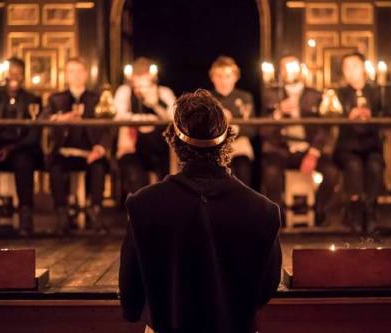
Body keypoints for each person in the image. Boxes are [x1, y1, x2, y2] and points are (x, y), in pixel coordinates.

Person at [119, 89, 282, 333]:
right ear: (229, 139)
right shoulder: (263, 211)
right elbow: (264, 292)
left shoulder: (143, 205)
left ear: (172, 138)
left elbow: (130, 303)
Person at [260, 55, 340, 225]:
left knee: (332, 173)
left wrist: (313, 153)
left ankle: (319, 210)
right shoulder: (271, 94)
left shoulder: (315, 95)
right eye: (285, 67)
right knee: (270, 172)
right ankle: (278, 215)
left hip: (308, 148)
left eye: (293, 66)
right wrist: (278, 113)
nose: (290, 71)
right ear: (280, 71)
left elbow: (324, 128)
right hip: (281, 149)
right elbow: (263, 130)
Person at [45, 57, 110, 234]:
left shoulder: (97, 99)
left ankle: (95, 213)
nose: (76, 75)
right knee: (55, 167)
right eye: (71, 71)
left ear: (86, 74)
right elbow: (43, 118)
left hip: (90, 153)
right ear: (65, 75)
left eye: (79, 71)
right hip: (64, 153)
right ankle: (62, 216)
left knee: (99, 167)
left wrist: (100, 148)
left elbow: (108, 126)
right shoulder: (55, 99)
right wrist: (62, 118)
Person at [0, 57, 42, 236]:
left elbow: (34, 135)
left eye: (18, 72)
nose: (14, 76)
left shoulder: (32, 99)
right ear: (5, 75)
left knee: (24, 162)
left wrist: (10, 149)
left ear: (23, 76)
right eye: (11, 72)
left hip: (21, 148)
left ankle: (25, 215)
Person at [334, 51, 390, 233]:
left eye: (355, 66)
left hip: (371, 145)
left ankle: (371, 210)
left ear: (364, 68)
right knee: (354, 166)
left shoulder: (376, 91)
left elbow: (389, 114)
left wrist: (372, 116)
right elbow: (329, 115)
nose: (350, 71)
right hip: (347, 147)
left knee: (375, 165)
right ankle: (354, 212)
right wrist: (347, 116)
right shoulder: (338, 94)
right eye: (346, 67)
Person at [114, 57, 176, 202]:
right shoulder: (125, 91)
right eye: (138, 83)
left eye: (146, 83)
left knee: (165, 181)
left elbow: (174, 116)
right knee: (135, 178)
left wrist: (155, 105)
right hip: (133, 148)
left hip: (159, 149)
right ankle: (138, 212)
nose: (141, 89)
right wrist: (138, 119)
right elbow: (117, 114)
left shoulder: (163, 92)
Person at [209, 56, 255, 186]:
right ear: (212, 77)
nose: (224, 81)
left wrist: (237, 129)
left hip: (240, 145)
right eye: (219, 76)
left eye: (228, 76)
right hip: (214, 147)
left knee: (242, 171)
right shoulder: (207, 98)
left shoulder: (245, 97)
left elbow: (252, 129)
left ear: (235, 77)